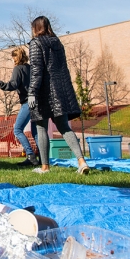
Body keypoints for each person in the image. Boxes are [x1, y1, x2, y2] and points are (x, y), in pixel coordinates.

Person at [27, 16, 90, 174]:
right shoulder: (58, 43)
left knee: (41, 128)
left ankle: (45, 167)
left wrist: (32, 92)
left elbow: (36, 70)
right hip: (60, 91)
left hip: (43, 91)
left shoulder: (35, 43)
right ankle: (81, 161)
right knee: (63, 127)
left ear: (35, 28)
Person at [0, 47, 40, 167]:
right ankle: (43, 159)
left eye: (13, 58)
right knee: (36, 132)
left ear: (16, 58)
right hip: (38, 101)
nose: (12, 61)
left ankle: (31, 156)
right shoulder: (31, 68)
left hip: (27, 102)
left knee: (17, 129)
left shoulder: (18, 69)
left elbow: (13, 85)